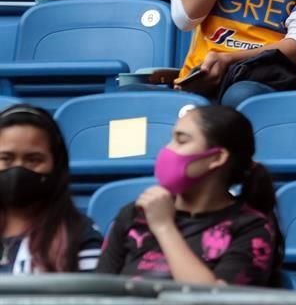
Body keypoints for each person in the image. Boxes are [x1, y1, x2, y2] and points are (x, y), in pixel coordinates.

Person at [97, 105, 280, 286]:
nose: (167, 150)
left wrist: (164, 227)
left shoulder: (252, 227)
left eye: (181, 141)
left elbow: (214, 300)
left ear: (217, 158)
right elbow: (97, 291)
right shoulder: (135, 213)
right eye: (171, 140)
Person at [0, 104, 101, 274]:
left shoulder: (79, 234)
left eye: (33, 159)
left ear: (56, 165)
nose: (18, 169)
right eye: (6, 158)